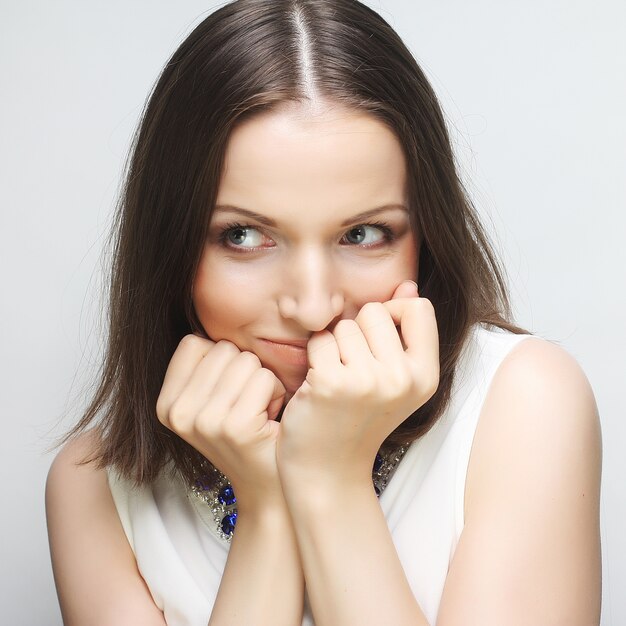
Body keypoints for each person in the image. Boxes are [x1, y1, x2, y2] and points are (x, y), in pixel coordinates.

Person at [45, 1, 602, 624]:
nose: (313, 306)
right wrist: (267, 511)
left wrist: (330, 479)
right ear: (171, 243)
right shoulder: (94, 484)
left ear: (425, 234)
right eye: (244, 237)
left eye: (362, 234)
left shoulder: (523, 401)